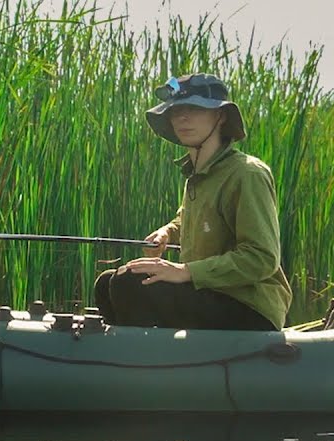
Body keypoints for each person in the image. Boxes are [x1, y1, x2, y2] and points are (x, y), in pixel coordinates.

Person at [93, 73, 292, 331]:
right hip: (209, 294)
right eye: (176, 111)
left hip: (249, 307)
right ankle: (131, 352)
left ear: (220, 116)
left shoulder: (247, 174)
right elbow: (187, 218)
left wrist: (184, 271)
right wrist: (168, 232)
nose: (182, 118)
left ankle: (152, 356)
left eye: (195, 109)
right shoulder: (196, 176)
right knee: (106, 282)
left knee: (128, 282)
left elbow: (261, 258)